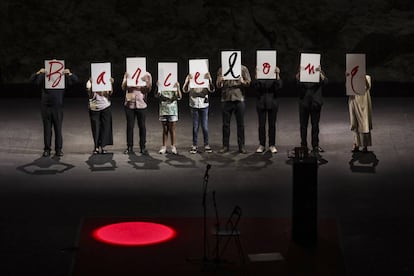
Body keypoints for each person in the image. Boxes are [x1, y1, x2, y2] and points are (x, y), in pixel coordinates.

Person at [30, 66, 78, 157]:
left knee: (58, 129)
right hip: (46, 107)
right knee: (47, 129)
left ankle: (58, 150)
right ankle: (47, 149)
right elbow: (33, 81)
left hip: (58, 108)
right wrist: (39, 72)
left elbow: (75, 80)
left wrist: (69, 73)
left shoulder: (62, 78)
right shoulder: (45, 77)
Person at [216, 64, 251, 153]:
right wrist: (220, 81)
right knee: (226, 125)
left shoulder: (243, 68)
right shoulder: (222, 69)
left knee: (240, 125)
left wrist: (243, 82)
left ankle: (241, 146)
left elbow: (249, 83)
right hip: (226, 99)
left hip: (239, 98)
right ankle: (225, 146)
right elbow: (218, 85)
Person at [296, 65, 327, 154]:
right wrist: (300, 74)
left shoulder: (319, 72)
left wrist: (320, 73)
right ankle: (303, 145)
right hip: (304, 103)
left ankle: (315, 145)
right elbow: (297, 84)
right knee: (303, 126)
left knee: (315, 126)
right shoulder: (301, 72)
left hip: (315, 103)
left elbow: (326, 82)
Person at [252, 66, 283, 154]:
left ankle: (272, 145)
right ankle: (262, 145)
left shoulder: (273, 74)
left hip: (272, 102)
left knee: (272, 125)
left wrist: (277, 74)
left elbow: (279, 86)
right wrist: (256, 75)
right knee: (261, 125)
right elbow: (255, 86)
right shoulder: (260, 75)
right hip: (261, 102)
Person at [182, 72, 215, 154]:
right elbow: (185, 90)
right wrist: (187, 81)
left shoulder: (205, 76)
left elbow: (212, 89)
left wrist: (210, 80)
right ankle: (194, 145)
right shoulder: (190, 76)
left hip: (204, 104)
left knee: (205, 126)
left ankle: (206, 145)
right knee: (195, 126)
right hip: (194, 104)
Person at [121, 72, 152, 155]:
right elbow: (123, 87)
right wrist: (127, 80)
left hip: (141, 103)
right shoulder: (128, 73)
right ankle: (129, 147)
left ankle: (142, 147)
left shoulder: (147, 74)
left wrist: (146, 82)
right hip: (129, 102)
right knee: (130, 126)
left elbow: (148, 90)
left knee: (142, 126)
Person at [85, 77, 114, 154]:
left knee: (105, 127)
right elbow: (90, 95)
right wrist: (92, 84)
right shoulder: (89, 82)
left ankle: (103, 146)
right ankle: (96, 147)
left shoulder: (105, 80)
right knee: (96, 127)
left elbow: (110, 93)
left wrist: (110, 83)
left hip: (105, 106)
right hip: (94, 107)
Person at [156, 81, 182, 154]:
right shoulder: (161, 84)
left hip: (172, 109)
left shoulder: (173, 84)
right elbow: (156, 95)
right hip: (163, 109)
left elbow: (179, 96)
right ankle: (164, 146)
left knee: (172, 129)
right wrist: (158, 86)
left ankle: (173, 146)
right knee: (165, 129)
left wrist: (178, 87)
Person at [348, 75, 373, 153]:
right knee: (355, 123)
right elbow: (349, 89)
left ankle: (365, 145)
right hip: (354, 101)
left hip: (363, 102)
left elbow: (367, 87)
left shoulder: (367, 77)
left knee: (364, 124)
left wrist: (364, 78)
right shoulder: (351, 76)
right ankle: (355, 144)